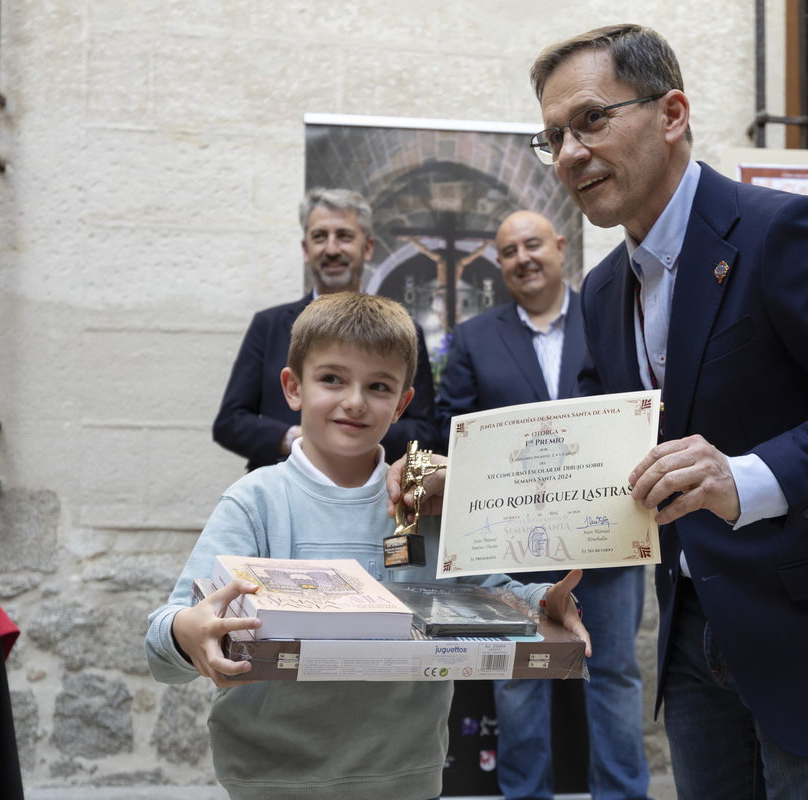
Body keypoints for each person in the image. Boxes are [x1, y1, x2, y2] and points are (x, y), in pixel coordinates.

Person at [524, 24, 808, 800]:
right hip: (689, 633)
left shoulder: (782, 230)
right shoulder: (605, 289)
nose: (572, 153)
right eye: (553, 137)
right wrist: (504, 525)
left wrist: (745, 478)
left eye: (590, 119)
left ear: (672, 113)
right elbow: (602, 461)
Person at [147, 291, 589, 800]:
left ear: (403, 402)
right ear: (293, 387)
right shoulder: (255, 502)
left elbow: (486, 590)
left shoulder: (424, 505)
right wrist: (188, 630)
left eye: (378, 386)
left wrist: (543, 602)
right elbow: (164, 643)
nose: (355, 401)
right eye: (332, 378)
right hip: (271, 778)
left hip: (407, 776)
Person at [435, 210, 650, 800]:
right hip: (513, 551)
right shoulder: (477, 336)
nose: (523, 258)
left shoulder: (608, 315)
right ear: (500, 264)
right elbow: (450, 426)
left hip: (605, 539)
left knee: (612, 674)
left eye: (533, 245)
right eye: (509, 251)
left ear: (560, 248)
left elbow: (636, 406)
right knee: (520, 682)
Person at [213, 187, 440, 471]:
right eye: (320, 237)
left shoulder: (405, 331)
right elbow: (230, 422)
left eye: (344, 236)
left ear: (367, 247)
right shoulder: (268, 325)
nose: (331, 249)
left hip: (369, 493)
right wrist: (299, 438)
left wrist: (350, 436)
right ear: (306, 249)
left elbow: (425, 432)